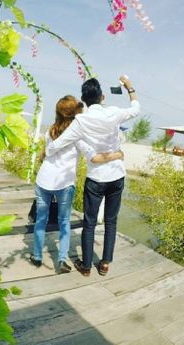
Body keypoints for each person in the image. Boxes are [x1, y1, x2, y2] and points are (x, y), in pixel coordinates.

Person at [45, 76, 140, 277]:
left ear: (84, 100)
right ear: (102, 97)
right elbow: (135, 109)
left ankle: (86, 266)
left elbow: (58, 144)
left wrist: (49, 150)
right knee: (111, 221)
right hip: (116, 175)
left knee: (89, 222)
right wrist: (129, 86)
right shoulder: (113, 113)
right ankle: (105, 263)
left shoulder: (80, 121)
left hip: (96, 179)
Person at [31, 95, 124, 274]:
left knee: (41, 220)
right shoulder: (78, 135)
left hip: (43, 180)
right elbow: (95, 158)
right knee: (64, 221)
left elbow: (47, 152)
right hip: (64, 183)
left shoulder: (50, 131)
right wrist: (117, 155)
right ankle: (62, 259)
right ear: (76, 113)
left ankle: (36, 256)